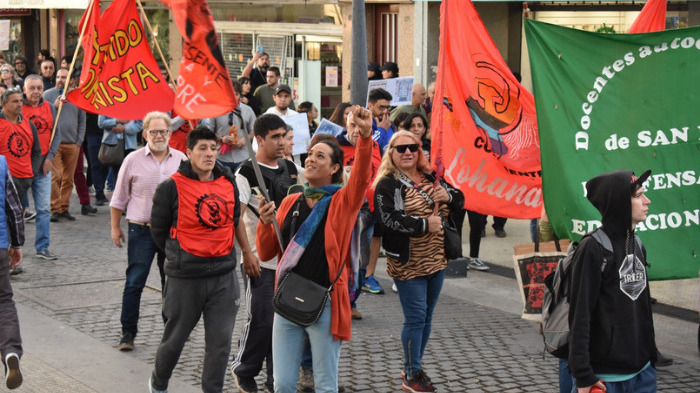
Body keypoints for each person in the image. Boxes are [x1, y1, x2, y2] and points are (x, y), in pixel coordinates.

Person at [256, 105, 374, 393]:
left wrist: (366, 135)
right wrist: (264, 223)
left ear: (335, 168)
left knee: (324, 384)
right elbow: (266, 253)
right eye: (310, 154)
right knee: (282, 384)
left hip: (325, 303)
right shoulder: (289, 201)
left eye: (319, 156)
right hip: (286, 300)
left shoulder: (343, 203)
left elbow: (360, 176)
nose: (310, 159)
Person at [148, 126, 257, 393]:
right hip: (185, 278)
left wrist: (245, 251)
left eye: (213, 148)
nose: (209, 154)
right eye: (202, 148)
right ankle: (158, 384)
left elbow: (232, 221)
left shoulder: (227, 181)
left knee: (220, 345)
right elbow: (159, 232)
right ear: (189, 152)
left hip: (223, 276)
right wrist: (180, 255)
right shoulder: (170, 187)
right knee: (174, 341)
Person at [373, 130, 464, 393]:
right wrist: (425, 224)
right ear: (391, 153)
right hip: (407, 264)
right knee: (415, 318)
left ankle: (414, 365)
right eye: (401, 149)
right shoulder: (388, 184)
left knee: (426, 317)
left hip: (437, 260)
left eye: (413, 147)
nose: (408, 152)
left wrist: (448, 197)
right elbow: (387, 219)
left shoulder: (432, 177)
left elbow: (461, 200)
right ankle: (412, 375)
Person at [568, 169, 658, 393]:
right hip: (605, 379)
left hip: (642, 374)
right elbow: (580, 315)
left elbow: (643, 307)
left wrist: (651, 356)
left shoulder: (637, 243)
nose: (647, 201)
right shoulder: (593, 248)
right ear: (619, 202)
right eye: (638, 196)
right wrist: (583, 376)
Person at [230, 114, 299, 393]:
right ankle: (244, 369)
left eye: (284, 135)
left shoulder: (292, 167)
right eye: (275, 137)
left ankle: (275, 380)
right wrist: (248, 254)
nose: (282, 142)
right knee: (261, 319)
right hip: (260, 258)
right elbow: (238, 217)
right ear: (259, 139)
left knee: (284, 323)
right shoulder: (245, 173)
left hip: (290, 259)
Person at [110, 111, 186, 352]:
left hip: (172, 232)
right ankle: (128, 332)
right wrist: (115, 227)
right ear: (145, 134)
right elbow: (119, 197)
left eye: (163, 131)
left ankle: (170, 333)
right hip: (140, 230)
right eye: (153, 131)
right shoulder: (132, 160)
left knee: (171, 284)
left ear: (170, 133)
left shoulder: (181, 160)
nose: (159, 135)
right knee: (135, 281)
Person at [336, 110, 383, 319]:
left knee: (362, 259)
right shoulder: (335, 147)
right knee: (347, 258)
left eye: (360, 126)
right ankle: (342, 301)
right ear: (346, 125)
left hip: (370, 210)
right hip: (347, 213)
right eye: (352, 125)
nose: (356, 131)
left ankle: (352, 300)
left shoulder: (374, 145)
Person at [0, 89, 41, 275]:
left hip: (23, 180)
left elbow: (36, 151)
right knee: (5, 220)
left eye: (19, 101)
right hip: (4, 181)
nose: (19, 104)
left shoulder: (29, 125)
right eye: (14, 101)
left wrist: (31, 172)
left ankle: (14, 257)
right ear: (4, 104)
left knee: (16, 219)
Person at [22, 74, 60, 260]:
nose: (36, 92)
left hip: (43, 166)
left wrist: (50, 158)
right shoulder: (17, 108)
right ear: (24, 90)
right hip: (21, 168)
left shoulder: (50, 108)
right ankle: (15, 248)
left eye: (39, 88)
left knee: (44, 209)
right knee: (17, 210)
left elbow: (56, 134)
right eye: (32, 88)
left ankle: (42, 247)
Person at [44, 68, 85, 222]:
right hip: (55, 144)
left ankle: (64, 207)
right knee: (55, 177)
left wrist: (78, 141)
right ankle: (54, 208)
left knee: (68, 179)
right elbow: (43, 118)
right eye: (59, 77)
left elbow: (82, 121)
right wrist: (54, 107)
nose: (61, 79)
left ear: (72, 80)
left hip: (72, 144)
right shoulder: (48, 95)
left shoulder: (77, 96)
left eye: (64, 77)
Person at [0, 153, 26, 390]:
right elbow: (15, 209)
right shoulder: (0, 163)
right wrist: (16, 244)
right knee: (4, 301)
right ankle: (10, 353)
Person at [203, 80, 256, 172]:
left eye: (235, 94)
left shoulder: (248, 110)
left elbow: (254, 131)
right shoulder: (215, 110)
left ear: (240, 95)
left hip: (242, 156)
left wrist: (245, 139)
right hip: (221, 157)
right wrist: (221, 138)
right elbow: (208, 132)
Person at [368, 88, 394, 154]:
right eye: (381, 107)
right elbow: (368, 147)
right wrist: (381, 130)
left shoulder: (389, 124)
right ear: (370, 105)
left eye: (387, 107)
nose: (385, 111)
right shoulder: (362, 124)